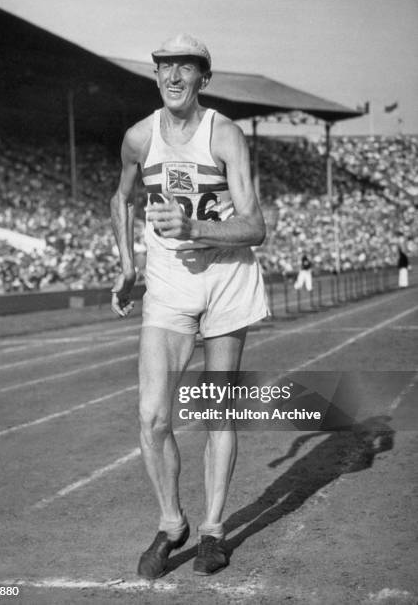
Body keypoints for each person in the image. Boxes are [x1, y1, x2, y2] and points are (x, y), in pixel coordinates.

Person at [110, 33, 267, 579]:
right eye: (165, 68)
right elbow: (120, 197)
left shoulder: (225, 134)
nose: (174, 77)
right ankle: (172, 521)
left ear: (204, 78)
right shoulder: (138, 137)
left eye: (186, 68)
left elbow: (256, 226)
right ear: (155, 77)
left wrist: (196, 227)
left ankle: (213, 532)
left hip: (226, 278)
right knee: (153, 416)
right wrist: (129, 267)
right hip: (169, 283)